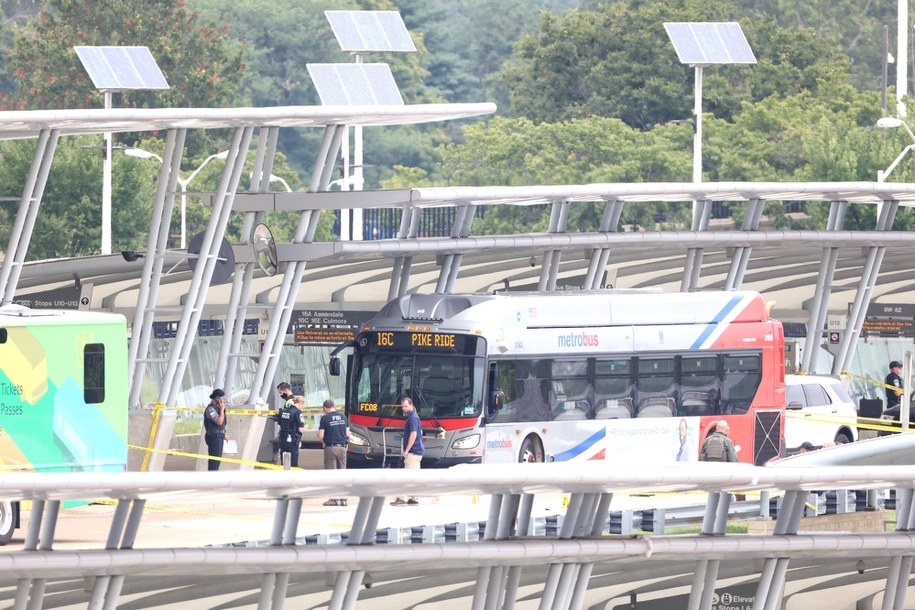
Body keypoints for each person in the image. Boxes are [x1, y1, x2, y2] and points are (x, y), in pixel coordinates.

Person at [391, 396, 424, 506]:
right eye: (402, 407)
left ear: (411, 405)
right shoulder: (414, 417)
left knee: (407, 476)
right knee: (414, 476)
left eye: (406, 406)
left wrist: (406, 451)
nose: (404, 408)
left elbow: (413, 435)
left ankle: (401, 498)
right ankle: (414, 498)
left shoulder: (413, 418)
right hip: (417, 451)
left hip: (413, 452)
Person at [318, 399, 350, 506]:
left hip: (330, 448)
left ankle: (334, 499)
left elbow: (321, 434)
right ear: (334, 406)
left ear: (325, 408)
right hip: (342, 448)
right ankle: (343, 499)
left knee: (331, 474)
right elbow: (347, 433)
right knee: (342, 473)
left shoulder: (325, 418)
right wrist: (346, 444)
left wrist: (323, 442)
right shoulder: (344, 417)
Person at [275, 394, 306, 468]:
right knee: (293, 463)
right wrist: (306, 428)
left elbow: (280, 422)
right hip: (293, 440)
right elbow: (301, 429)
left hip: (283, 439)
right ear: (300, 403)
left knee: (284, 463)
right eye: (303, 404)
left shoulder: (283, 411)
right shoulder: (297, 412)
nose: (303, 406)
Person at [203, 388, 228, 471]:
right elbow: (219, 422)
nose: (223, 401)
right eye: (222, 399)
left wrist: (224, 434)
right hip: (213, 437)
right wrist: (221, 409)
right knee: (214, 462)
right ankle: (211, 480)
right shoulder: (210, 409)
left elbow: (223, 424)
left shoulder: (218, 409)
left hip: (219, 436)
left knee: (217, 461)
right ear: (217, 398)